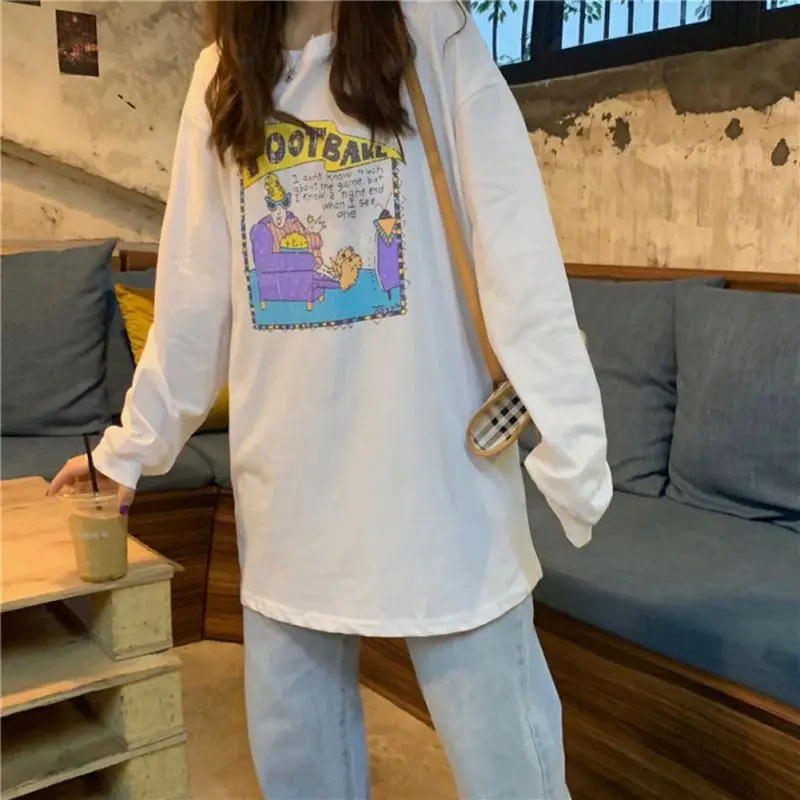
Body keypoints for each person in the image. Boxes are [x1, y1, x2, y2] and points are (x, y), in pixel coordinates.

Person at [48, 2, 612, 798]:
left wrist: (573, 448)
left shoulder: (431, 30)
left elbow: (516, 248)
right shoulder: (221, 76)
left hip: (441, 490)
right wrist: (129, 451)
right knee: (300, 769)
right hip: (290, 494)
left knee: (509, 770)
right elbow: (192, 299)